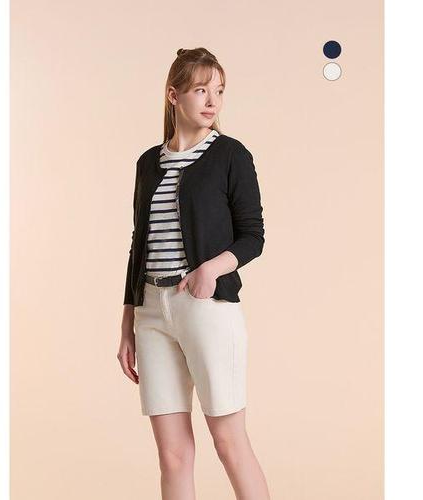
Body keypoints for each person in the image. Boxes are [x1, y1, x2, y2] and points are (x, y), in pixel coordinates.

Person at [117, 47, 271, 500]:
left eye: (218, 90)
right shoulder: (148, 164)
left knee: (229, 443)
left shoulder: (230, 155)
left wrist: (211, 270)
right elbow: (139, 245)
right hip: (151, 313)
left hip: (206, 308)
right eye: (201, 89)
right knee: (173, 455)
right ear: (174, 95)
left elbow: (253, 235)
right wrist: (127, 323)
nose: (212, 100)